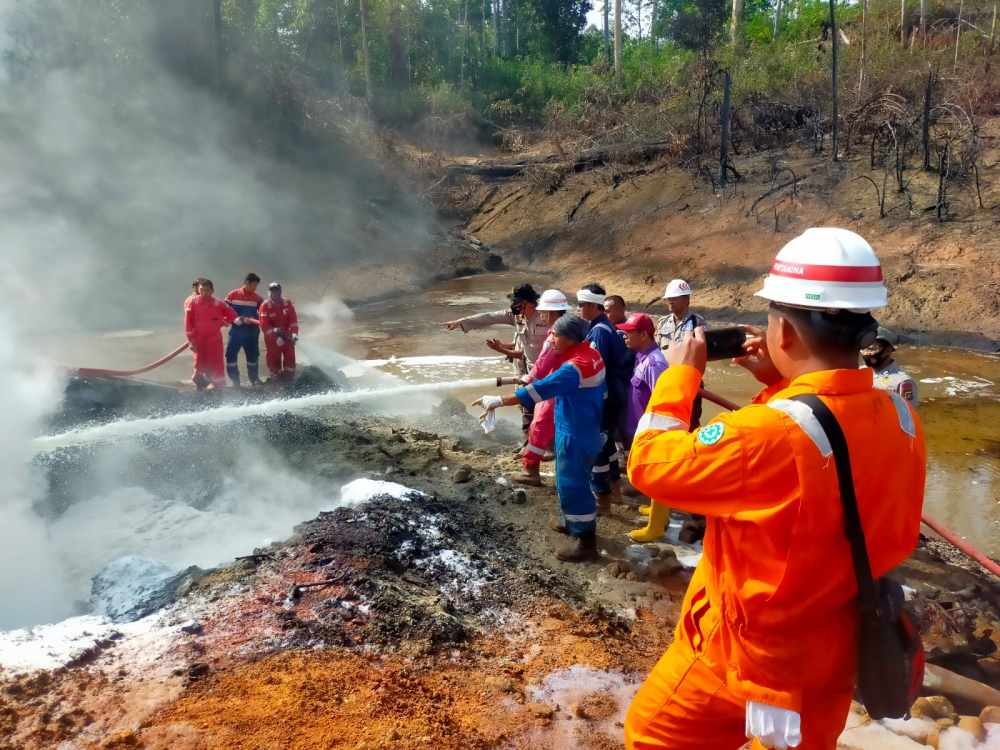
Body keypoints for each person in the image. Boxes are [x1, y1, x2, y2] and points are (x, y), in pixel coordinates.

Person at [624, 227, 926, 750]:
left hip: (746, 657)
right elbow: (817, 455)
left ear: (782, 330)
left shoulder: (770, 432)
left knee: (650, 736)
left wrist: (679, 378)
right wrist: (785, 381)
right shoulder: (900, 415)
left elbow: (651, 464)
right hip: (834, 654)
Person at [474, 315, 606, 562]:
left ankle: (586, 542)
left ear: (569, 338)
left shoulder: (575, 367)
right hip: (583, 429)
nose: (551, 339)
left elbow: (538, 390)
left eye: (555, 335)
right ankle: (571, 522)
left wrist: (498, 400)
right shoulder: (592, 355)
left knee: (573, 487)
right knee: (572, 482)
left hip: (575, 435)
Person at [443, 284, 549, 439]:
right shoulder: (517, 316)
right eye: (513, 302)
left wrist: (501, 349)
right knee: (524, 404)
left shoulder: (545, 317)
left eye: (517, 302)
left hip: (547, 370)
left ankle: (545, 444)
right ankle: (529, 441)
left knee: (545, 407)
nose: (514, 305)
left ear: (530, 302)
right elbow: (491, 317)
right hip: (526, 368)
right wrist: (461, 321)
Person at [577, 284, 632, 516]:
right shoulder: (605, 327)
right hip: (615, 392)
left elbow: (595, 368)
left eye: (581, 305)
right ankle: (614, 485)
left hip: (604, 395)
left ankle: (602, 500)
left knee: (597, 442)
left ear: (592, 305)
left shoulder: (599, 331)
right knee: (607, 441)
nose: (578, 309)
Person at [615, 313, 670, 543]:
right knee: (651, 473)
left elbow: (664, 400)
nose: (624, 336)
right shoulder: (642, 356)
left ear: (644, 334)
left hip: (655, 427)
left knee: (658, 475)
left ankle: (656, 526)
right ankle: (657, 510)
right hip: (643, 425)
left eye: (629, 332)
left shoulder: (655, 363)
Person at [511, 289, 569, 487]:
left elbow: (543, 362)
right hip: (568, 385)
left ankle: (531, 471)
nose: (541, 315)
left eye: (544, 311)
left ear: (552, 312)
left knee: (538, 426)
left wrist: (530, 378)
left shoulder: (555, 333)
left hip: (552, 386)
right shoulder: (574, 327)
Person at [184, 279, 241, 390]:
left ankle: (219, 388)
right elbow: (188, 322)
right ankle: (199, 385)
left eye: (207, 290)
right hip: (198, 339)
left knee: (217, 363)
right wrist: (190, 341)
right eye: (201, 290)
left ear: (212, 290)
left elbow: (233, 314)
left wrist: (222, 323)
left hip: (214, 339)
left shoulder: (219, 303)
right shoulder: (193, 302)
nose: (204, 293)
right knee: (199, 363)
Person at [225, 273, 263, 387]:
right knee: (231, 356)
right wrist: (234, 319)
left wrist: (252, 319)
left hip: (252, 332)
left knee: (253, 357)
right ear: (247, 283)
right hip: (236, 331)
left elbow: (263, 316)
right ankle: (235, 382)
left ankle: (254, 380)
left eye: (257, 285)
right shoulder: (232, 295)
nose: (255, 287)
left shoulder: (258, 299)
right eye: (254, 284)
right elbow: (223, 310)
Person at [863, 326, 918, 406]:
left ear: (888, 350)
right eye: (863, 349)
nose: (865, 353)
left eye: (870, 349)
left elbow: (908, 415)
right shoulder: (861, 372)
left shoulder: (902, 382)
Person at [256, 282, 299, 381]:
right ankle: (276, 380)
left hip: (287, 336)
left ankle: (290, 378)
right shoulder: (265, 306)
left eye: (277, 291)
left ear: (280, 291)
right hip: (273, 339)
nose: (275, 293)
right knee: (274, 360)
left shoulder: (287, 303)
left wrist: (294, 334)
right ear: (268, 293)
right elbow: (264, 325)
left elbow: (293, 320)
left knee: (290, 357)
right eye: (272, 291)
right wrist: (274, 333)